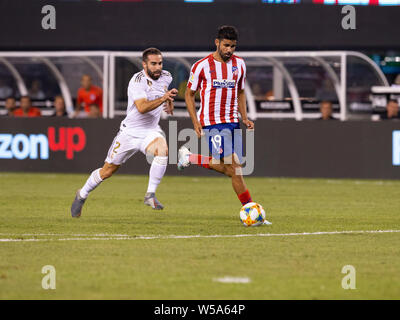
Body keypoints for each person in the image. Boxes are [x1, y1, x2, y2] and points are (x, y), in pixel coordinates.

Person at [70, 48, 177, 217]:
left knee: (162, 151)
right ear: (144, 64)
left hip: (150, 131)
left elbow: (161, 91)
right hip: (130, 133)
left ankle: (150, 194)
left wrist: (168, 100)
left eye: (160, 63)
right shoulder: (137, 81)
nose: (158, 67)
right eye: (154, 64)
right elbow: (142, 108)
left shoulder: (167, 76)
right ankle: (82, 194)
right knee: (107, 171)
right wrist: (164, 98)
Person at [177, 25, 255, 207]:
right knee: (234, 168)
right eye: (226, 45)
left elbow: (241, 91)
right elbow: (189, 94)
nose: (229, 50)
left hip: (232, 122)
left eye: (233, 46)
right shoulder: (201, 66)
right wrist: (195, 122)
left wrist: (244, 117)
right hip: (212, 122)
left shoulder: (240, 64)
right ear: (217, 42)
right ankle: (251, 210)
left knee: (234, 168)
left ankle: (190, 158)